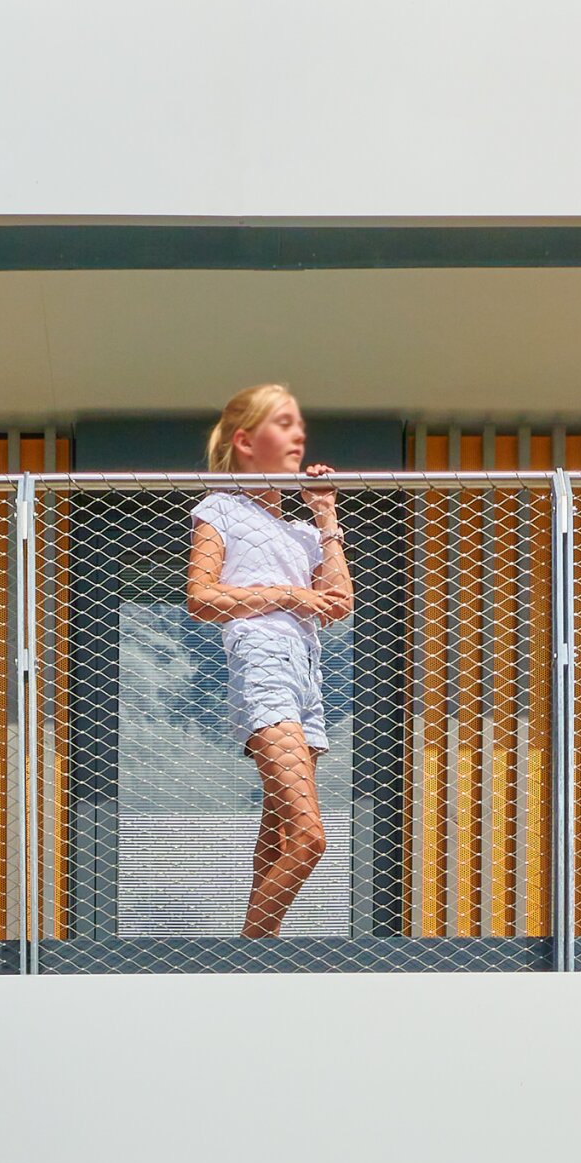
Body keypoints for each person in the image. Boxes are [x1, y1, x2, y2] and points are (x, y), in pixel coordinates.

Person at [188, 383, 353, 938]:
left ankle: (259, 947)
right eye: (284, 423)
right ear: (245, 441)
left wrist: (326, 517)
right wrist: (288, 596)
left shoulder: (303, 532)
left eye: (299, 424)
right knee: (310, 837)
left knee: (282, 832)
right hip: (262, 661)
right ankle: (252, 951)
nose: (299, 434)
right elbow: (201, 598)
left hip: (307, 673)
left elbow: (340, 603)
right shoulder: (221, 509)